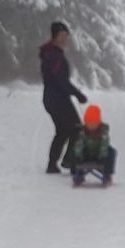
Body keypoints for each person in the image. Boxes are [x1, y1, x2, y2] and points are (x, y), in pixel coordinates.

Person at [40, 21, 88, 175]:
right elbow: (61, 81)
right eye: (62, 35)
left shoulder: (53, 53)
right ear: (55, 36)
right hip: (57, 98)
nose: (65, 38)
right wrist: (78, 94)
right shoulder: (54, 55)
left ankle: (52, 165)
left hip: (52, 98)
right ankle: (70, 162)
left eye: (66, 35)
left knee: (62, 131)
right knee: (77, 129)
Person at [65, 104, 117, 186]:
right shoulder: (82, 132)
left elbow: (104, 144)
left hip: (98, 154)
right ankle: (78, 174)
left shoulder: (103, 132)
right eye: (89, 124)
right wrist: (78, 155)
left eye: (94, 124)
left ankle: (107, 174)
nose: (91, 126)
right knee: (73, 151)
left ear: (98, 123)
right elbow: (79, 144)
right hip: (86, 154)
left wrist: (102, 156)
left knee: (111, 151)